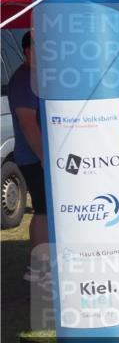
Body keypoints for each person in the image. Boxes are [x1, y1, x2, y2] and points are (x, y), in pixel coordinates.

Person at [8, 32, 49, 283]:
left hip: (37, 156)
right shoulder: (24, 79)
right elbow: (27, 123)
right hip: (33, 157)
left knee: (46, 210)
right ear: (27, 51)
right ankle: (38, 268)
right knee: (44, 210)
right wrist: (44, 157)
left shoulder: (36, 77)